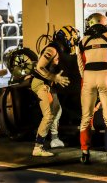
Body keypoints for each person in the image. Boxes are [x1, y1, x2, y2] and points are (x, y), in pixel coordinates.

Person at [77, 13, 107, 165]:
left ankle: (85, 153)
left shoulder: (82, 40)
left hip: (88, 77)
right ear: (104, 23)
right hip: (105, 75)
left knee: (86, 117)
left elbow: (80, 68)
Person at [31, 26, 78, 157]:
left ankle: (54, 139)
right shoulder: (52, 49)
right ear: (65, 38)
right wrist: (54, 77)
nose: (74, 41)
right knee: (49, 114)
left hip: (48, 84)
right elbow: (39, 67)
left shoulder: (59, 49)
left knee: (57, 110)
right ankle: (38, 147)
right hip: (40, 84)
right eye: (72, 38)